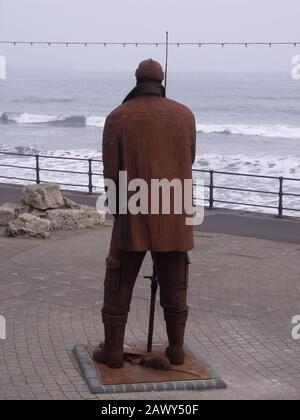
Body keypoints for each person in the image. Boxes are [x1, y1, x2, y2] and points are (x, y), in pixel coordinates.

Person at [93, 59, 197, 368]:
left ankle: (112, 351)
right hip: (175, 210)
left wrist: (116, 212)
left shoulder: (117, 117)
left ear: (137, 80)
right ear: (161, 81)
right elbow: (188, 160)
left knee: (118, 281)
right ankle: (176, 350)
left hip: (132, 213)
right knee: (176, 283)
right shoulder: (185, 115)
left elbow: (111, 174)